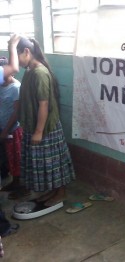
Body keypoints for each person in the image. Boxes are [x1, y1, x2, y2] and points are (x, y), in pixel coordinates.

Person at [16, 36, 75, 206]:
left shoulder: (39, 73)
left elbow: (44, 105)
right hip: (36, 126)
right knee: (46, 164)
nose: (17, 62)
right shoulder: (29, 71)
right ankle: (53, 191)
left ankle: (61, 193)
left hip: (45, 128)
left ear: (26, 52)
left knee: (53, 163)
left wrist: (38, 132)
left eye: (17, 55)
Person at [0, 57, 26, 198]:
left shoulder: (16, 87)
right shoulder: (0, 85)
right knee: (10, 160)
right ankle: (15, 182)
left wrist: (5, 130)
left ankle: (23, 187)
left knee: (18, 160)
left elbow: (16, 113)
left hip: (13, 130)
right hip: (3, 128)